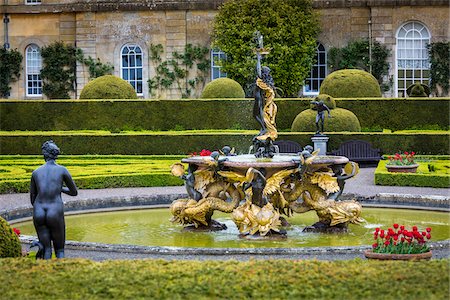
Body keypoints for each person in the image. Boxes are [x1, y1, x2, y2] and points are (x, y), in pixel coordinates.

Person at [30, 140, 77, 259]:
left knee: (46, 249)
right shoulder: (62, 170)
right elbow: (74, 192)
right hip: (54, 211)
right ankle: (60, 274)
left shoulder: (36, 172)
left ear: (44, 154)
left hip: (38, 210)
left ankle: (46, 274)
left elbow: (32, 198)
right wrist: (60, 189)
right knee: (60, 250)